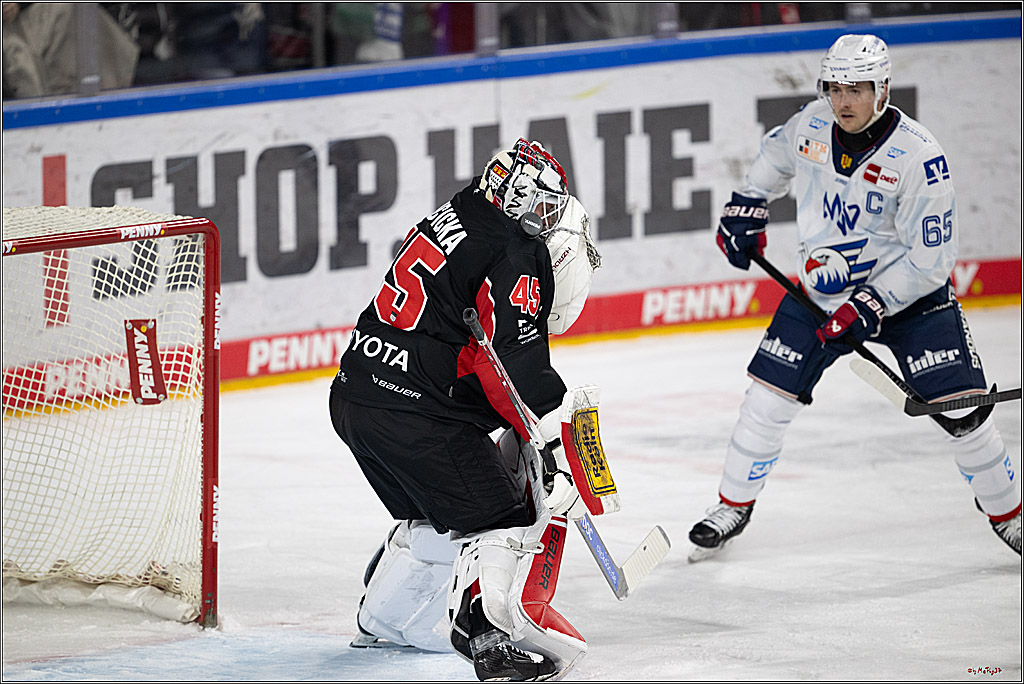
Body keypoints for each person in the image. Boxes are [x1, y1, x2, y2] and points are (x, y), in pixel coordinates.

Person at [688, 34, 1021, 561]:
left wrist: (871, 304)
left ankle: (1009, 514)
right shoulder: (813, 123)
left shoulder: (919, 157)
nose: (843, 101)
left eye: (857, 90)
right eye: (835, 88)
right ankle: (732, 506)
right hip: (822, 292)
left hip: (911, 300)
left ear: (883, 88)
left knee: (963, 413)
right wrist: (747, 203)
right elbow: (776, 154)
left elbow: (931, 260)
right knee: (766, 398)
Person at [329, 139, 603, 681]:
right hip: (418, 416)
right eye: (542, 207)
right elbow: (515, 362)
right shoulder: (514, 252)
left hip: (356, 397)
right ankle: (486, 633)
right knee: (499, 516)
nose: (544, 221)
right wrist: (555, 440)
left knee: (434, 517)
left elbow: (472, 347)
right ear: (516, 196)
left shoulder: (457, 211)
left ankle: (381, 620)